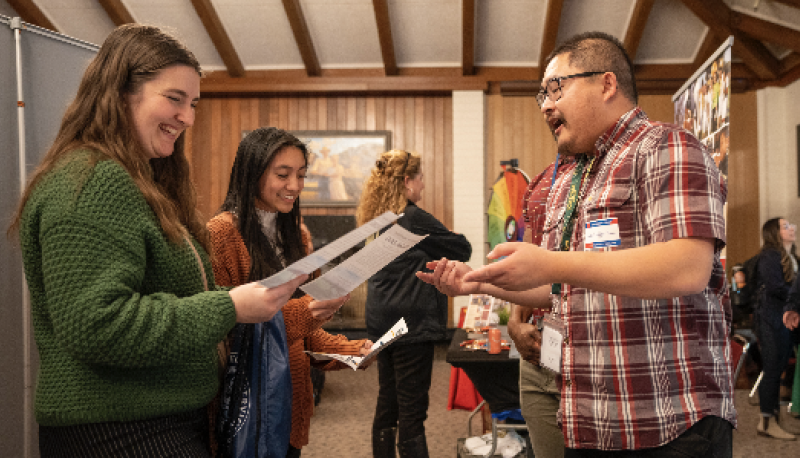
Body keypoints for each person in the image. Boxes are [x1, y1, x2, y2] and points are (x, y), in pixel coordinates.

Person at [418, 31, 736, 456]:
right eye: (541, 95)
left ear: (607, 84)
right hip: (590, 418)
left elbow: (687, 268)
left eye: (556, 88)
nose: (546, 105)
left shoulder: (666, 145)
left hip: (666, 418)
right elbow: (563, 292)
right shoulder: (570, 175)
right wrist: (478, 283)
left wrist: (552, 264)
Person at [6, 24, 306, 457]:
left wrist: (236, 303)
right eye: (174, 99)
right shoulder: (94, 180)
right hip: (121, 432)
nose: (187, 117)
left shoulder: (135, 179)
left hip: (152, 421)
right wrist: (230, 306)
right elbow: (98, 324)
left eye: (193, 103)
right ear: (120, 93)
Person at [207, 127, 373, 458]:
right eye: (283, 174)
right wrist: (306, 312)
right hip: (248, 408)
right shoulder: (221, 234)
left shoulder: (299, 235)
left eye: (301, 175)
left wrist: (352, 351)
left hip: (291, 404)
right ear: (252, 172)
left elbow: (303, 337)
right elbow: (222, 326)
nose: (295, 186)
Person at [356, 149, 471, 458]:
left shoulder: (376, 220)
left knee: (388, 401)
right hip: (411, 323)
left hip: (382, 322)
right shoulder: (413, 217)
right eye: (420, 179)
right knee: (412, 411)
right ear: (407, 181)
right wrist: (449, 235)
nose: (422, 185)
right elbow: (462, 247)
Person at [507, 157, 572, 458]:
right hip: (539, 355)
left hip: (587, 355)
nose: (547, 107)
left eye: (554, 103)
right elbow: (528, 268)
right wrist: (514, 322)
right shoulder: (541, 182)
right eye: (542, 104)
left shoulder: (615, 176)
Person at [753, 217, 798, 440]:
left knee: (778, 367)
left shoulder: (791, 256)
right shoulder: (770, 255)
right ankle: (766, 423)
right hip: (771, 318)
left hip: (784, 318)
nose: (792, 228)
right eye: (786, 226)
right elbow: (776, 286)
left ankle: (773, 420)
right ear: (775, 232)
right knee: (772, 369)